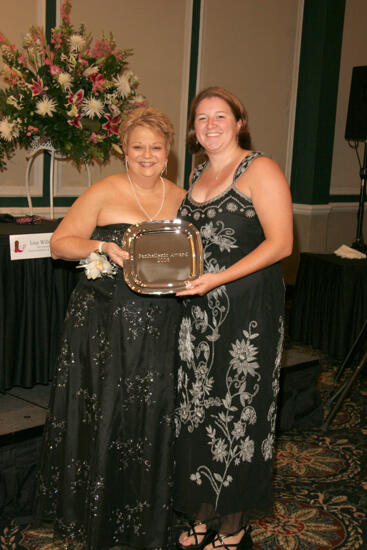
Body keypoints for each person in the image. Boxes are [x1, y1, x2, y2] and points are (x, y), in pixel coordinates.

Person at [33, 106, 186, 550]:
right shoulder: (103, 190)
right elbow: (61, 244)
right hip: (101, 323)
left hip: (159, 325)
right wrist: (103, 243)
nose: (146, 155)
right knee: (104, 411)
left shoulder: (181, 197)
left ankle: (141, 512)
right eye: (138, 146)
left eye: (155, 147)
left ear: (168, 152)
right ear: (124, 150)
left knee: (148, 415)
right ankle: (90, 512)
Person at [173, 87, 293, 550]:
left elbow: (281, 244)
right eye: (202, 118)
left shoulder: (259, 169)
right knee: (199, 413)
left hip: (247, 318)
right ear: (194, 128)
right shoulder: (198, 172)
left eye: (220, 115)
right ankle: (204, 513)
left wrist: (218, 278)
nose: (210, 124)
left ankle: (233, 525)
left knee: (239, 414)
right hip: (198, 318)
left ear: (239, 122)